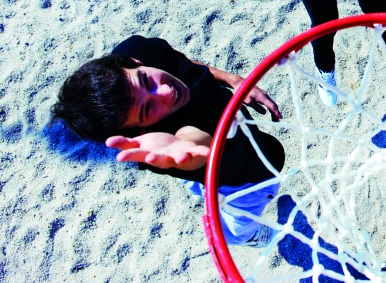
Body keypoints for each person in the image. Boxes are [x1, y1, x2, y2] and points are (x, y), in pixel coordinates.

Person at [52, 35, 285, 247]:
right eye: (147, 109)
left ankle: (197, 186)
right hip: (241, 183)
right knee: (241, 219)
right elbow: (195, 141)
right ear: (141, 130)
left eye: (146, 81)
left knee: (197, 184)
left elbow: (181, 63)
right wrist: (184, 151)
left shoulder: (139, 50)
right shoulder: (166, 142)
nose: (164, 91)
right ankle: (246, 237)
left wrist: (231, 79)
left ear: (134, 61)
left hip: (233, 151)